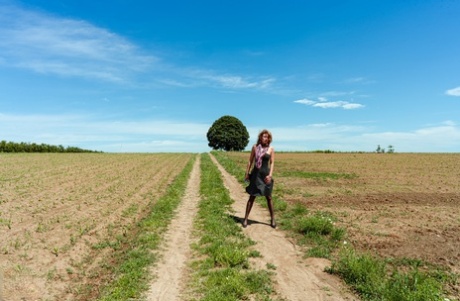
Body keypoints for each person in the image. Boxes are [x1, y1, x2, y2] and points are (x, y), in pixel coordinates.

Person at [243, 129, 276, 228]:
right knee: (252, 196)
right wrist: (247, 173)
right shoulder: (255, 147)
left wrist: (270, 175)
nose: (264, 138)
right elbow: (250, 161)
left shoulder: (271, 149)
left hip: (265, 176)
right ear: (260, 138)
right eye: (262, 136)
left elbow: (272, 163)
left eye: (266, 137)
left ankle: (273, 219)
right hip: (255, 174)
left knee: (269, 197)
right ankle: (245, 219)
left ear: (268, 139)